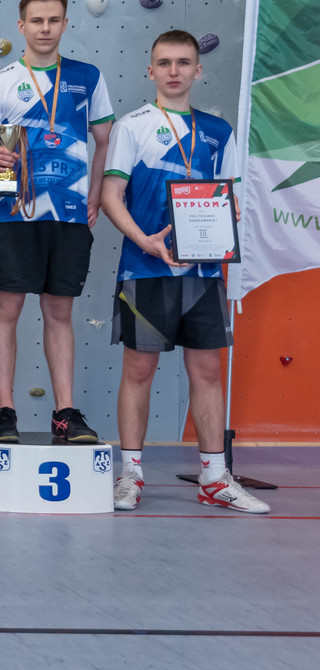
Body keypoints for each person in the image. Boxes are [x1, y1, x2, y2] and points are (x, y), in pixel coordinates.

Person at [101, 30, 268, 513]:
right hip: (145, 267)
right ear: (150, 70)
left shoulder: (218, 131)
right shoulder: (132, 126)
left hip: (205, 271)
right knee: (139, 370)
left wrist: (229, 214)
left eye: (183, 62)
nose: (174, 71)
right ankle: (131, 474)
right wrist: (146, 241)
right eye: (164, 62)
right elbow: (111, 196)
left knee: (208, 370)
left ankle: (214, 477)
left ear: (199, 69)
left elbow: (232, 194)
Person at [0, 0, 113, 444]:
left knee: (59, 312)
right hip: (15, 211)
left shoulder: (87, 77)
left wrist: (95, 196)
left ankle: (64, 412)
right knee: (7, 310)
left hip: (69, 213)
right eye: (37, 21)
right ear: (21, 26)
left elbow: (105, 142)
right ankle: (5, 412)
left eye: (54, 20)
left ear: (65, 24)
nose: (45, 29)